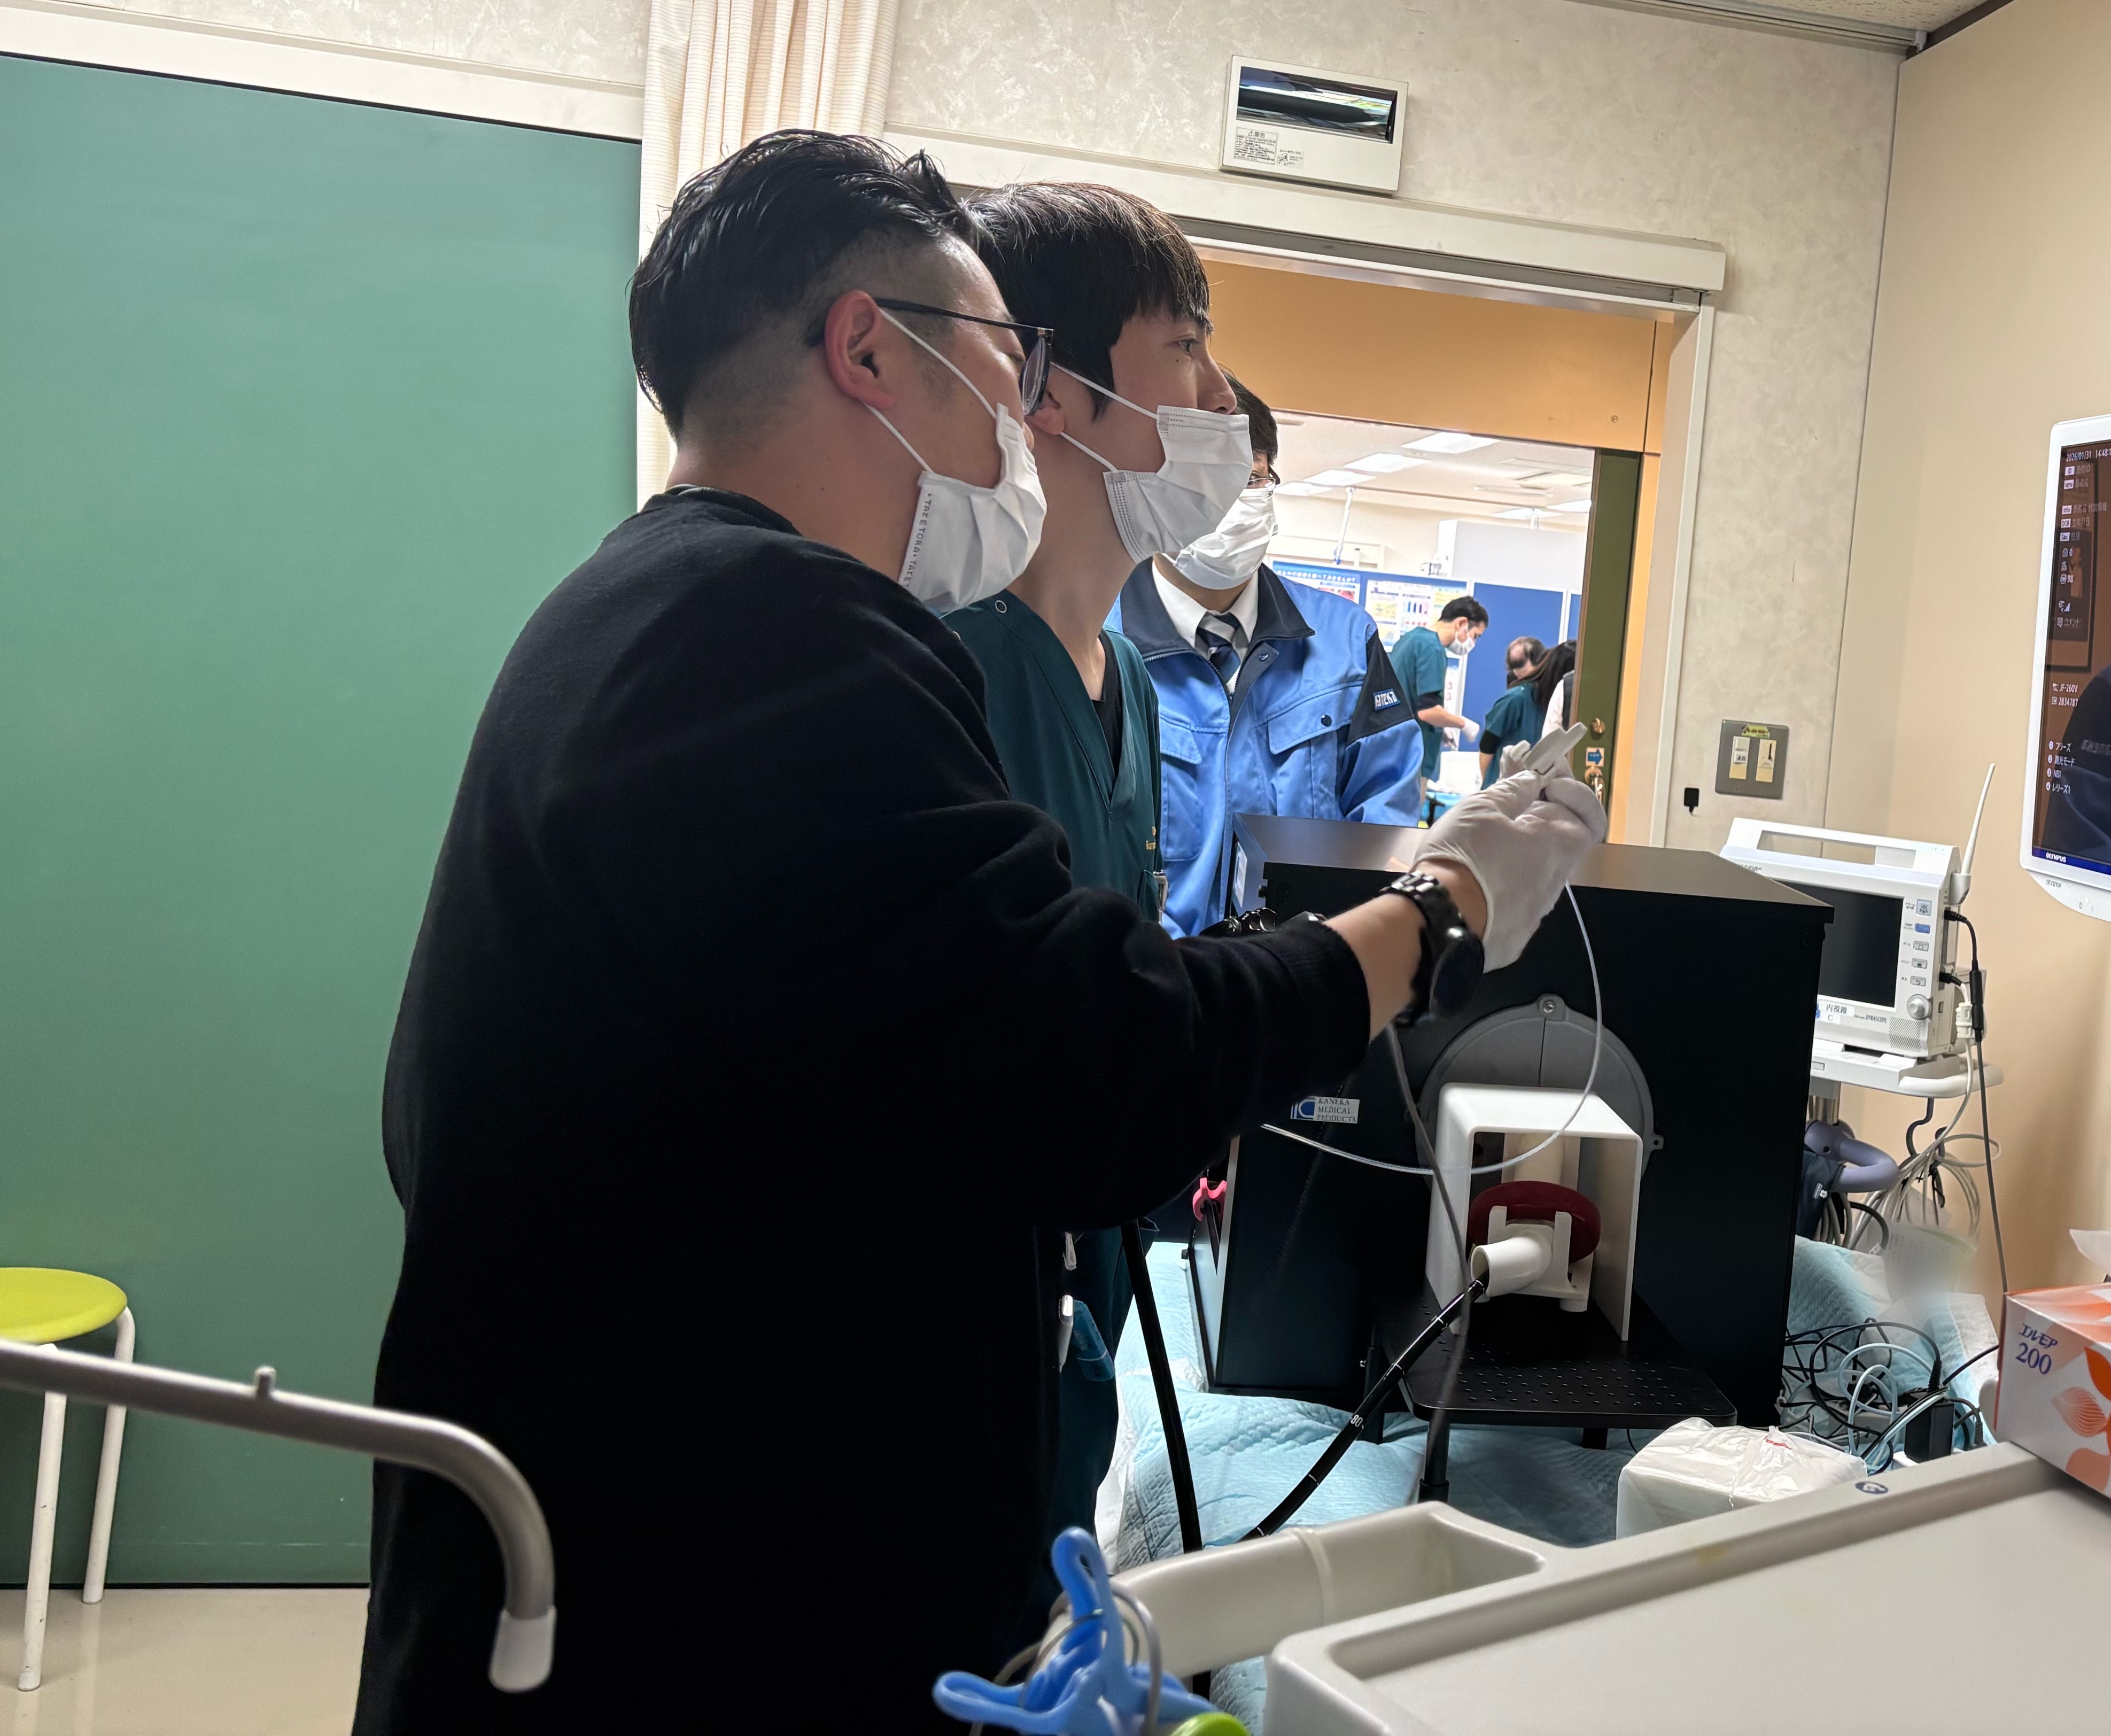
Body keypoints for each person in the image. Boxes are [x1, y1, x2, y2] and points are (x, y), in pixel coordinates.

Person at [352, 130, 1604, 1735]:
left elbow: (946, 1055)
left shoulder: (650, 609)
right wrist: (1438, 912)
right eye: (1003, 361)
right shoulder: (766, 633)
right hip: (679, 1612)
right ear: (869, 350)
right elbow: (1097, 1063)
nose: (1021, 414)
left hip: (679, 1548)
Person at [935, 179, 1246, 1610]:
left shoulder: (1124, 683)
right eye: (1185, 348)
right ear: (1050, 388)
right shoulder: (950, 670)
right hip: (966, 1347)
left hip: (1085, 1319)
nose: (1221, 397)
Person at [1116, 375, 1424, 936]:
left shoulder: (1344, 640)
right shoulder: (1098, 642)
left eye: (1250, 478)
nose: (1228, 502)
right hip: (1150, 974)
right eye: (1202, 481)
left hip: (1301, 970)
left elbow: (1385, 822)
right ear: (1151, 489)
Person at [1387, 593, 1489, 802]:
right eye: (1475, 636)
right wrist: (1463, 724)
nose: (1473, 643)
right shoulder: (1432, 648)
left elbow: (1410, 696)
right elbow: (1427, 711)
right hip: (1411, 756)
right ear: (1461, 624)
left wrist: (1441, 728)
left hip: (1394, 750)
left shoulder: (1410, 639)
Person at [1476, 636, 1549, 773]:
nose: (1517, 672)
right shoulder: (1515, 699)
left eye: (1521, 664)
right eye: (1514, 666)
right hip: (1507, 779)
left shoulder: (1548, 696)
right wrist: (1489, 782)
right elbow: (1488, 744)